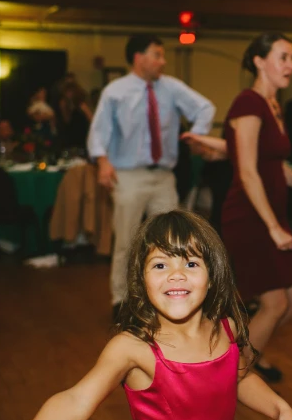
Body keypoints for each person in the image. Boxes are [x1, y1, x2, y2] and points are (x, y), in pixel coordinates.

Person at [0, 210, 292, 420]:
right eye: (161, 264)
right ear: (142, 279)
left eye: (192, 263)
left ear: (213, 276)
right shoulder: (133, 349)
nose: (176, 275)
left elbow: (239, 376)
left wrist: (279, 406)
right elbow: (74, 402)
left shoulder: (225, 327)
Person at [88, 34, 216, 318]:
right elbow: (99, 132)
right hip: (127, 176)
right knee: (126, 240)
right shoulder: (116, 91)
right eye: (157, 54)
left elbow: (205, 107)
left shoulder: (171, 87)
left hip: (163, 177)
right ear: (139, 58)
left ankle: (171, 297)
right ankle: (120, 301)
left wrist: (198, 136)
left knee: (173, 239)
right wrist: (102, 161)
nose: (163, 61)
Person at [220, 32, 292, 383]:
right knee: (276, 302)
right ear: (260, 61)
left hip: (271, 216)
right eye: (283, 57)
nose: (291, 65)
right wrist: (272, 226)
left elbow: (274, 164)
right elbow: (247, 170)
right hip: (249, 217)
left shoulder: (274, 105)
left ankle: (245, 350)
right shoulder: (248, 102)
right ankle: (235, 378)